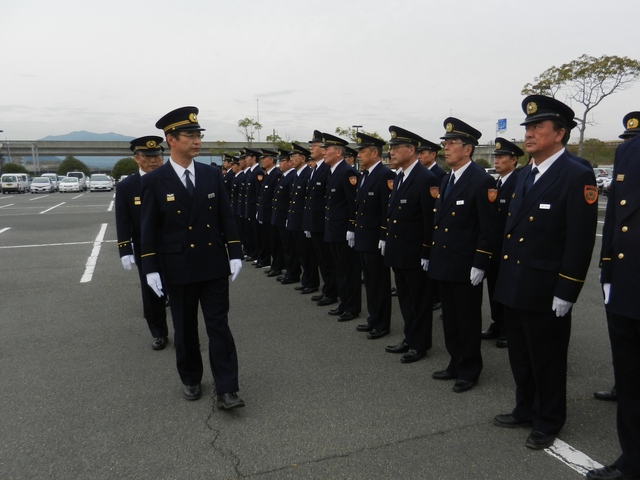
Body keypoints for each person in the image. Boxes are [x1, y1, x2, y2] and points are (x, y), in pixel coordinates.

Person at [492, 95, 597, 449]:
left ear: (560, 133)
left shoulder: (576, 173)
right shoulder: (524, 175)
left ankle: (549, 419)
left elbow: (580, 241)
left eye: (538, 127)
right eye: (528, 128)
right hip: (515, 281)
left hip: (546, 284)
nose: (529, 134)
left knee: (547, 358)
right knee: (519, 353)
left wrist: (567, 290)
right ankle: (525, 407)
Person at [140, 106, 245, 409]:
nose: (197, 140)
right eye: (190, 135)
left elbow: (227, 217)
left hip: (213, 264)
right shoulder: (154, 181)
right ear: (171, 139)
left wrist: (235, 252)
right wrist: (150, 268)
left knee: (219, 327)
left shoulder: (212, 175)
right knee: (185, 329)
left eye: (199, 134)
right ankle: (191, 377)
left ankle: (227, 388)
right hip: (178, 267)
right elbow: (149, 230)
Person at [586, 112, 640, 480]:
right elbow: (618, 220)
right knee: (631, 379)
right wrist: (607, 269)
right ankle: (632, 461)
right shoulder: (629, 154)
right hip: (627, 283)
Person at [428, 118, 499, 391]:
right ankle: (455, 361)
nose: (445, 148)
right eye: (444, 144)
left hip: (465, 263)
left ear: (468, 149)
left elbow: (487, 227)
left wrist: (480, 262)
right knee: (450, 317)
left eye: (451, 144)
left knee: (467, 319)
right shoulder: (447, 178)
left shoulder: (481, 181)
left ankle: (470, 368)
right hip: (445, 261)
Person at [382, 126, 439, 363]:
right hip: (399, 251)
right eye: (391, 148)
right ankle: (409, 337)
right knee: (405, 299)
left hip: (415, 253)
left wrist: (427, 251)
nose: (391, 152)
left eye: (396, 148)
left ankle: (420, 344)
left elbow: (430, 221)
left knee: (420, 301)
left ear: (411, 150)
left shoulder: (427, 179)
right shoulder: (400, 176)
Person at [115, 136, 169, 351]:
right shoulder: (127, 186)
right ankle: (158, 332)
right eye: (148, 157)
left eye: (157, 156)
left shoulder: (170, 179)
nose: (154, 161)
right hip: (146, 248)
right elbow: (123, 219)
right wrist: (125, 248)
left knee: (179, 289)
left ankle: (185, 333)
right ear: (137, 159)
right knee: (151, 291)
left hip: (173, 243)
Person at [352, 132, 395, 338]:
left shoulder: (384, 175)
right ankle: (373, 317)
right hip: (363, 237)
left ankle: (382, 323)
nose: (359, 155)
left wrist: (383, 236)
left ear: (375, 153)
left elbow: (387, 209)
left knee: (379, 283)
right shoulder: (365, 174)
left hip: (375, 240)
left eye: (362, 151)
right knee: (369, 282)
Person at [481, 138, 523, 348]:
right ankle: (497, 323)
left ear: (513, 160)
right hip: (494, 248)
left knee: (507, 290)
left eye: (501, 157)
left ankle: (509, 329)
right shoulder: (495, 183)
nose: (496, 161)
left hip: (509, 249)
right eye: (495, 157)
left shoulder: (518, 182)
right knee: (494, 287)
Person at [321, 133, 362, 322]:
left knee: (349, 270)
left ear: (338, 152)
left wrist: (351, 228)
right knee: (339, 269)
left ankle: (352, 307)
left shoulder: (347, 172)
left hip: (344, 231)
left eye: (327, 150)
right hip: (333, 229)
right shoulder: (333, 171)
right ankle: (344, 303)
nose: (324, 153)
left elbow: (353, 203)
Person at [304, 130, 339, 304]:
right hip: (315, 222)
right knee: (322, 260)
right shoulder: (316, 168)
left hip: (323, 223)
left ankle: (332, 292)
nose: (311, 148)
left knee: (328, 260)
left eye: (315, 145)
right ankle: (327, 288)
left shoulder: (326, 168)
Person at [285, 143, 318, 288]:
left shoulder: (308, 173)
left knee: (307, 253)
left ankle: (311, 282)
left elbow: (307, 200)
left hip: (303, 220)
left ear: (303, 158)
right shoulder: (297, 174)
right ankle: (306, 280)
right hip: (295, 219)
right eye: (290, 157)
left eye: (294, 156)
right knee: (301, 252)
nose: (291, 159)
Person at [271, 149, 301, 283]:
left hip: (286, 217)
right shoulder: (284, 176)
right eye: (280, 161)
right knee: (285, 246)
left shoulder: (292, 176)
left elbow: (291, 199)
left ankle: (293, 273)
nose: (281, 164)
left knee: (290, 248)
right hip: (281, 217)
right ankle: (289, 272)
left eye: (283, 161)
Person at [256, 149, 283, 276]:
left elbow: (274, 197)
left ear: (271, 160)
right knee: (270, 241)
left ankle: (277, 265)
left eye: (264, 158)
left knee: (274, 242)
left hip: (271, 214)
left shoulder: (276, 175)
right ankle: (274, 265)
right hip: (265, 214)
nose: (262, 160)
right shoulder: (267, 174)